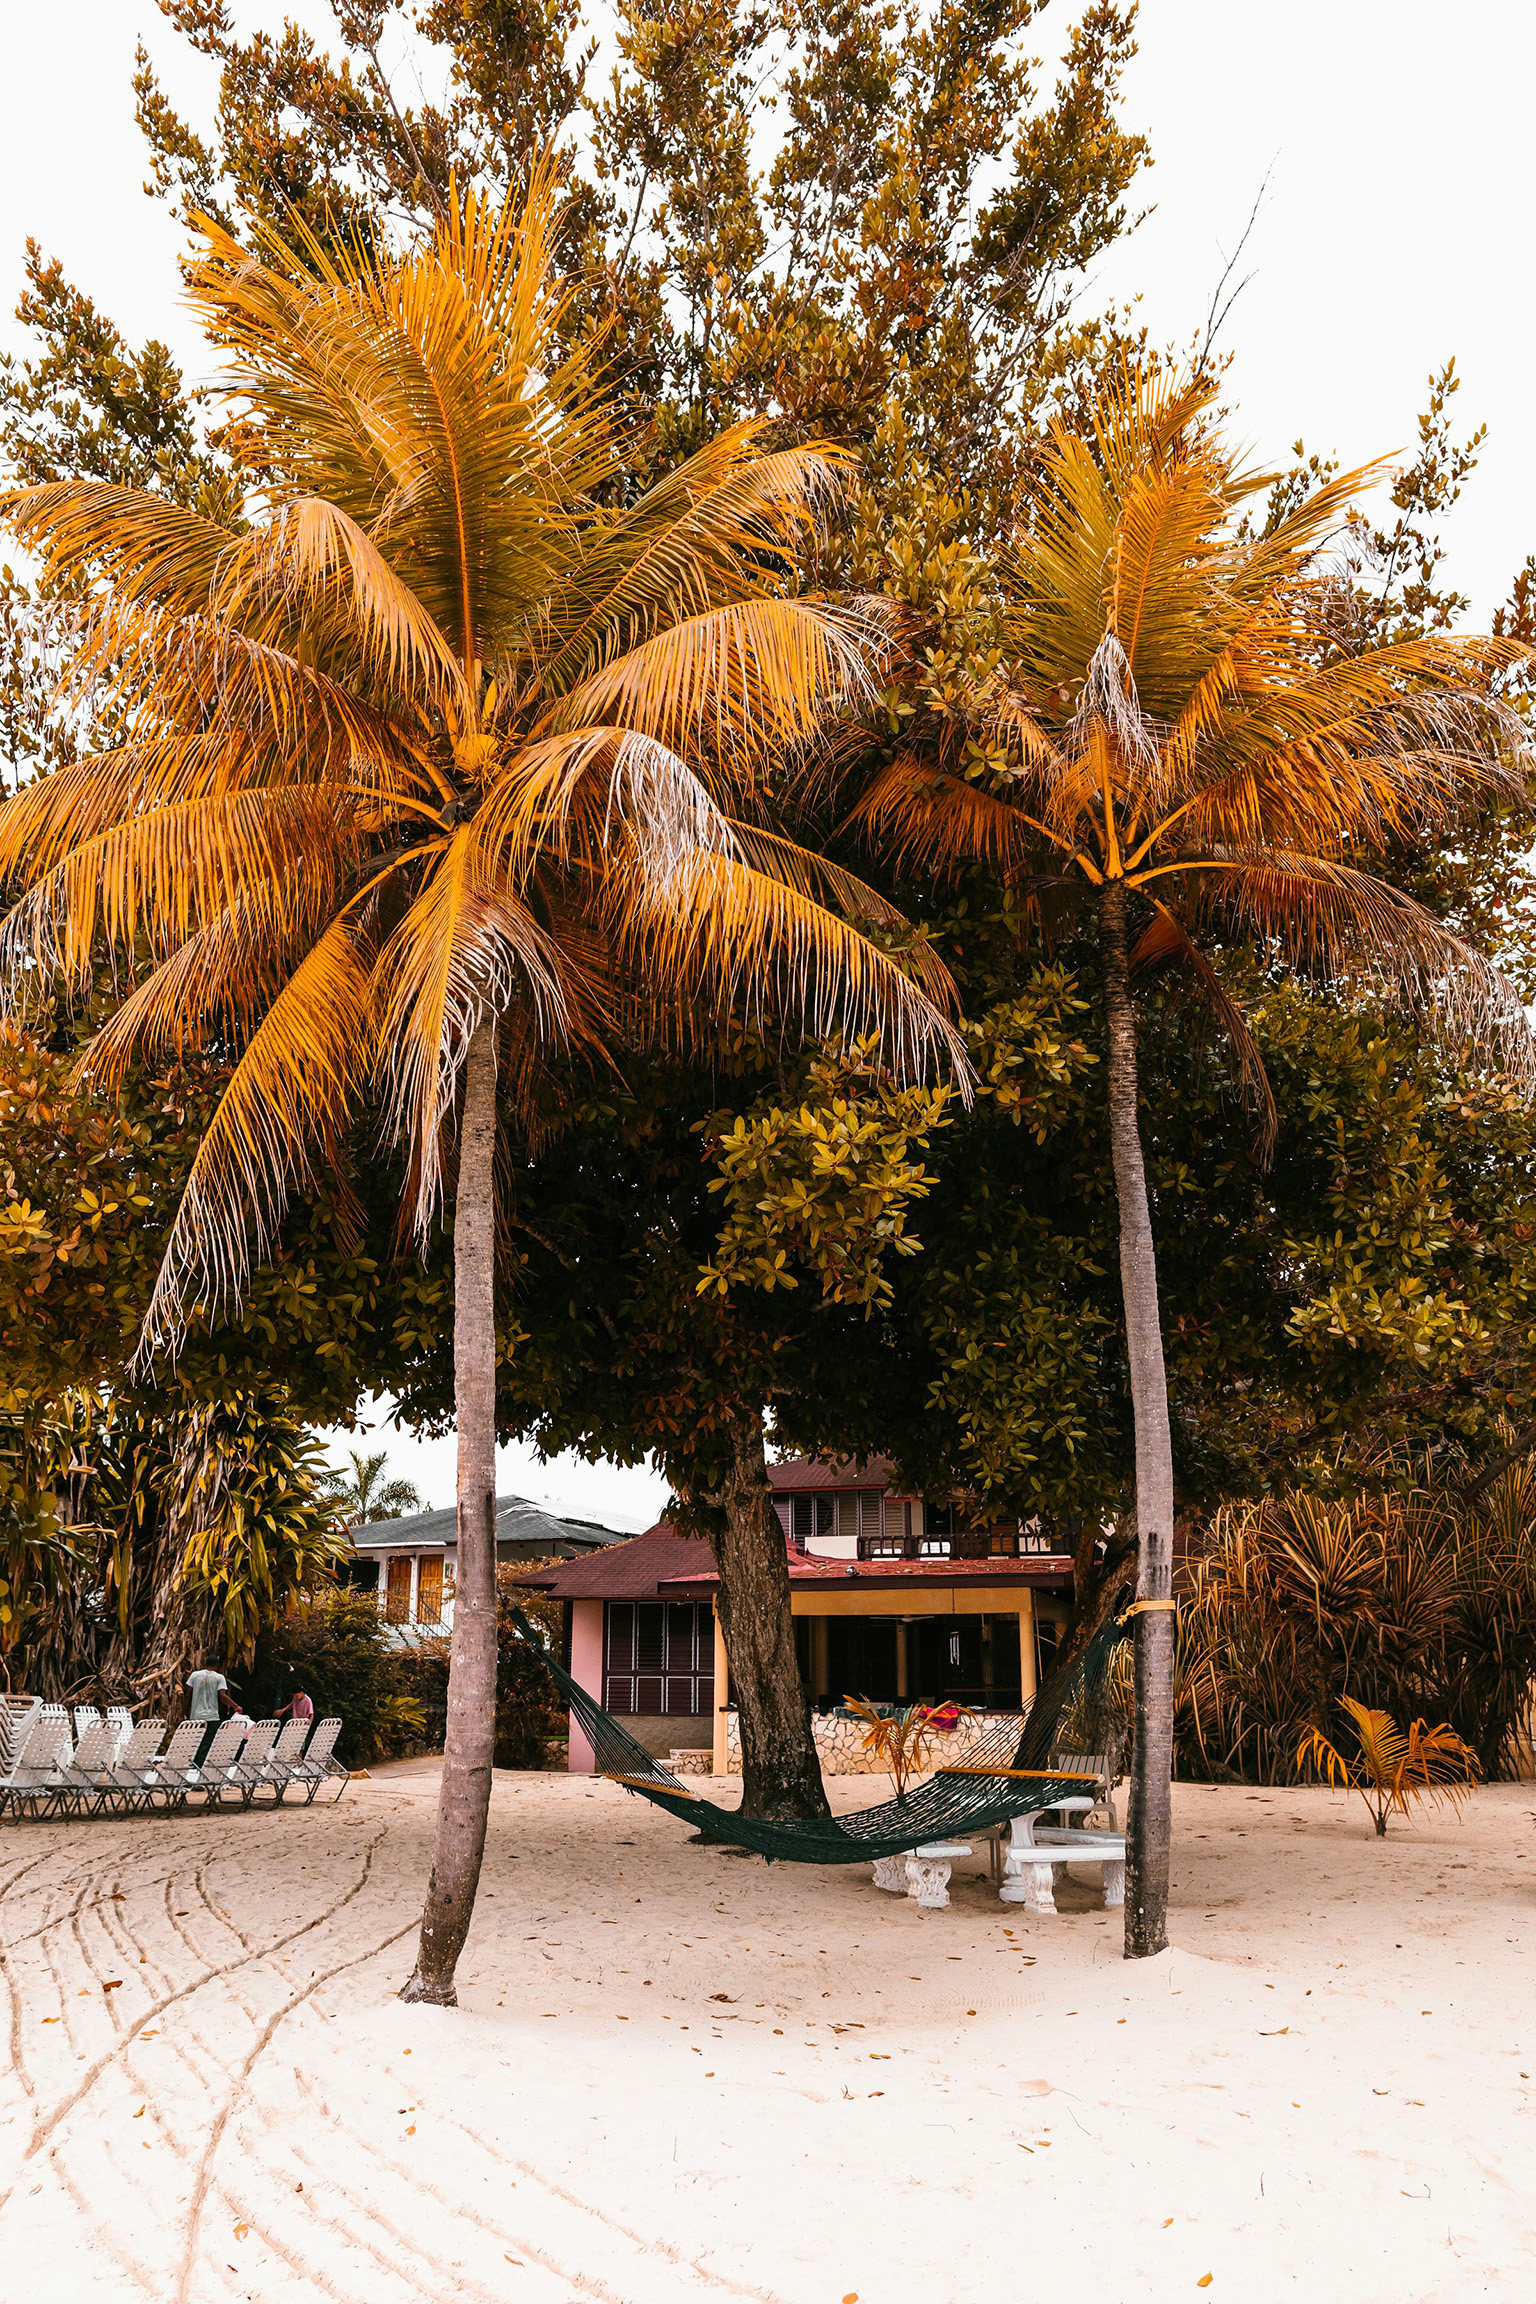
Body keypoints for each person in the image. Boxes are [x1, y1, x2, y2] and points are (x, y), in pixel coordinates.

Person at [186, 1664, 233, 1763]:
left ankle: (192, 1765)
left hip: (196, 1717)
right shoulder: (219, 1677)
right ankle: (200, 1767)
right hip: (212, 1717)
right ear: (216, 1665)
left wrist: (183, 1713)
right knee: (206, 1744)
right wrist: (235, 1706)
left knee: (194, 1743)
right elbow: (222, 1696)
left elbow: (187, 1695)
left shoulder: (194, 1675)